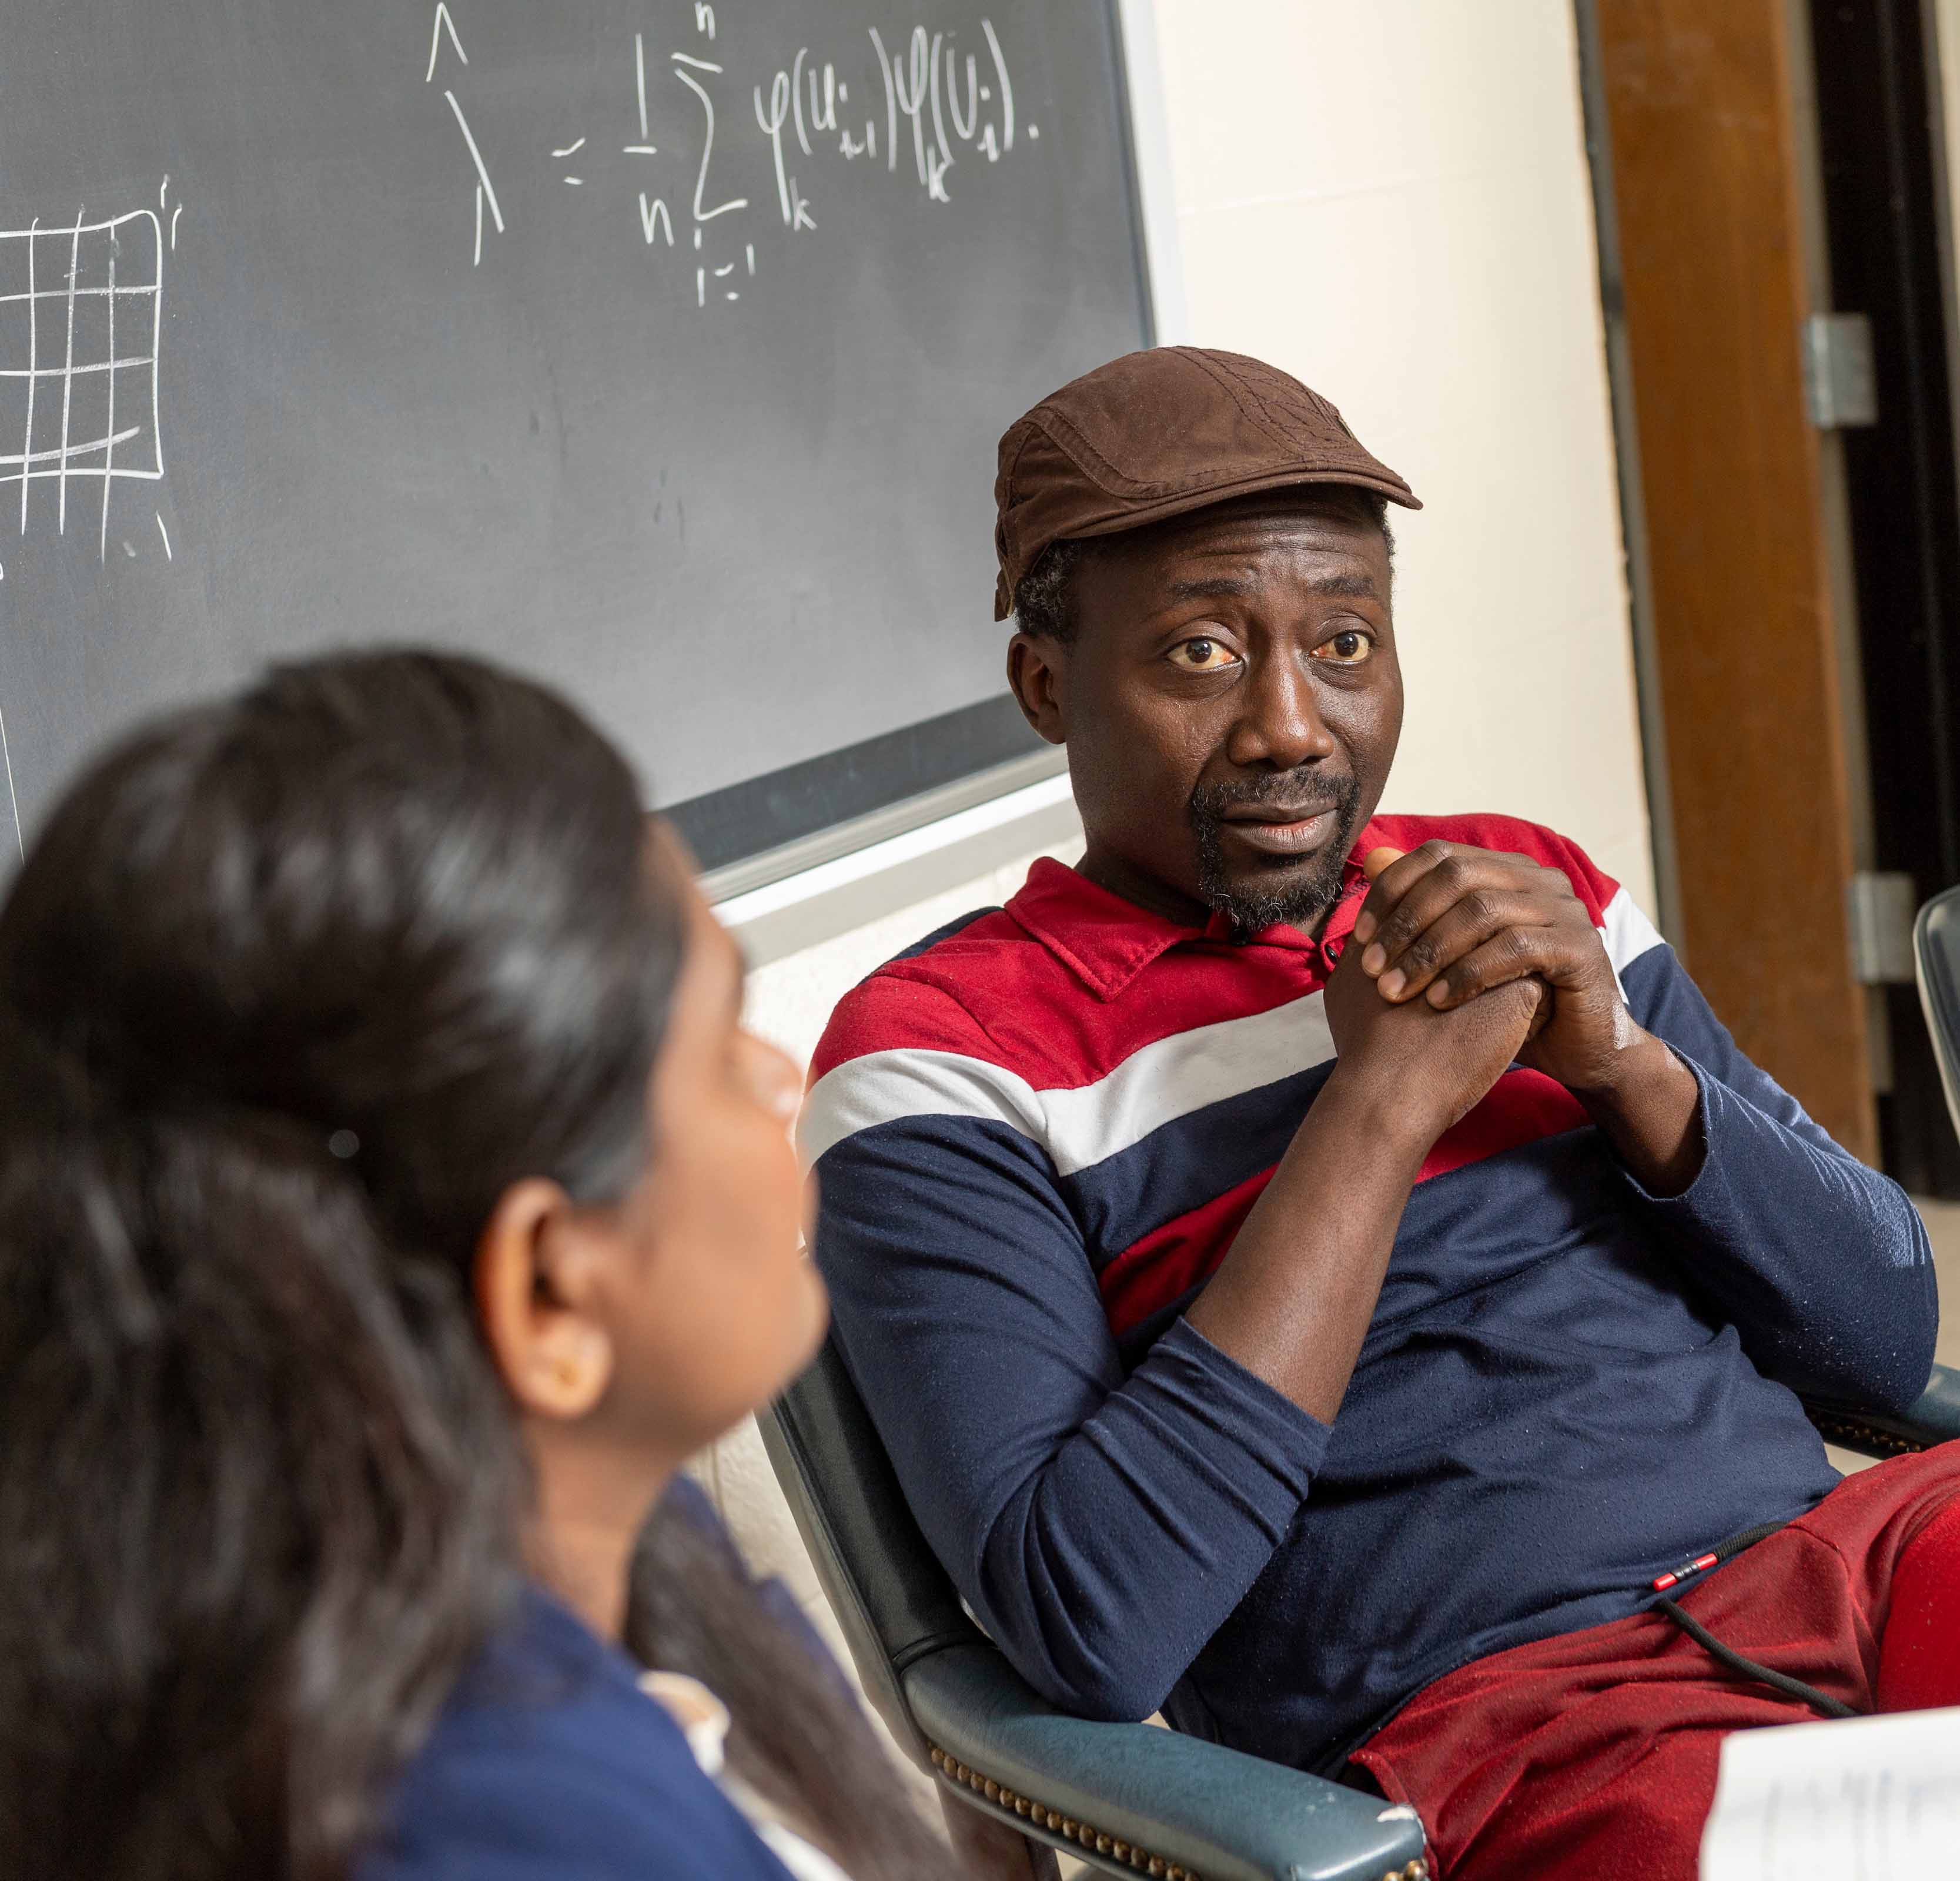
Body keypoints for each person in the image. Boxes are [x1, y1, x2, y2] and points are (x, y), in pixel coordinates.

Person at [803, 347, 1960, 1881]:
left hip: (1851, 1564)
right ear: (1044, 686)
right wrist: (1377, 1108)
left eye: (1343, 642)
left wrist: (1623, 1066)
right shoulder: (948, 1060)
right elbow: (1092, 1624)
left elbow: (1883, 1341)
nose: (1293, 723)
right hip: (1528, 1727)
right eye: (1202, 654)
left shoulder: (1517, 888)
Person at [0, 651, 954, 1881]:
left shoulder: (582, 1552)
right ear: (548, 1296)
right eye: (722, 1044)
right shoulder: (501, 1832)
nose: (779, 1079)